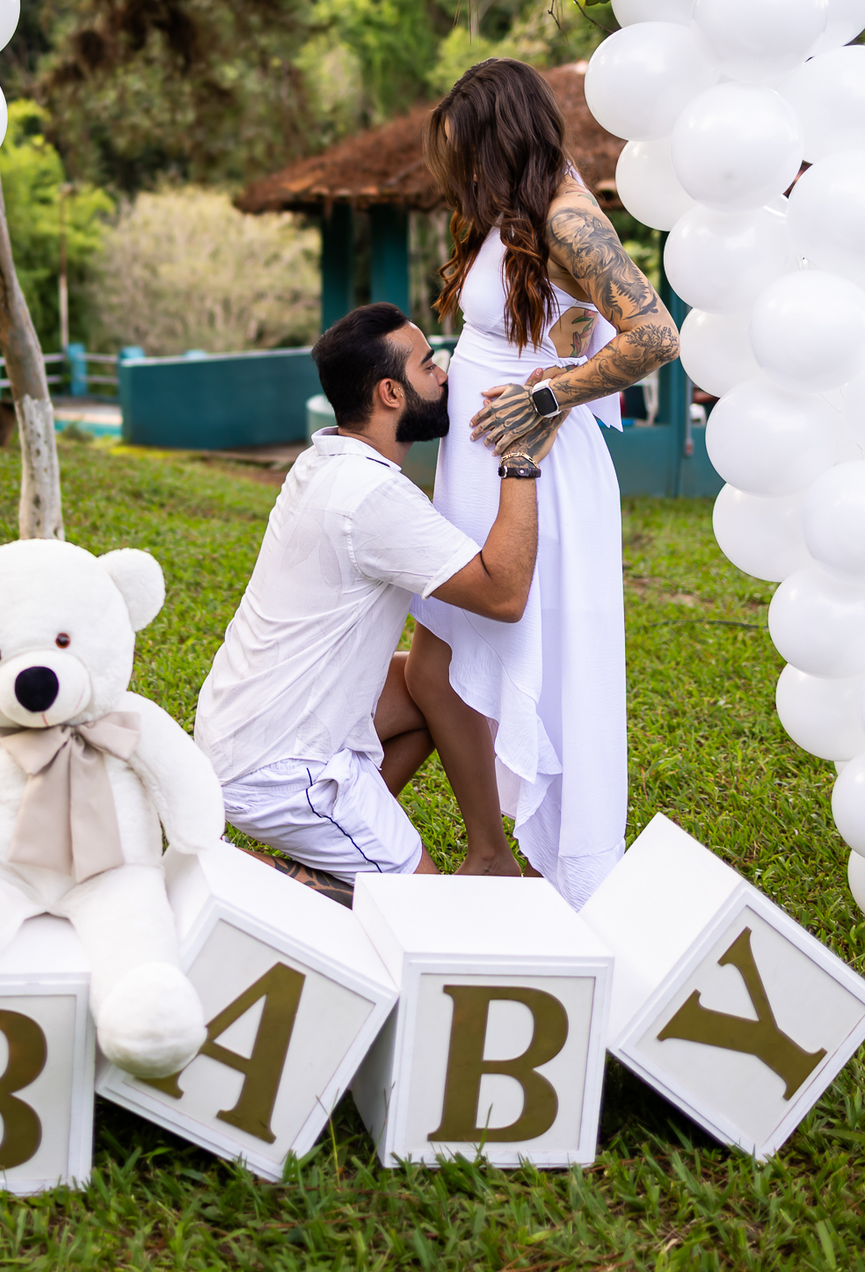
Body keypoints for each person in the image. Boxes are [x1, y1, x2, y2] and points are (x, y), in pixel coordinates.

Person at [406, 57, 680, 908]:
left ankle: (524, 863)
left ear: (505, 138)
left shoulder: (566, 217)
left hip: (537, 477)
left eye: (469, 150)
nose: (460, 170)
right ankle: (488, 853)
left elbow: (655, 336)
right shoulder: (511, 215)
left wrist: (551, 396)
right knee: (437, 666)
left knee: (501, 668)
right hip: (478, 469)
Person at [193, 301, 560, 892]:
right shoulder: (372, 495)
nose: (444, 375)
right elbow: (504, 594)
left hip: (243, 732)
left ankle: (478, 854)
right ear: (391, 393)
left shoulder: (323, 461)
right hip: (284, 774)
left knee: (433, 681)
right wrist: (520, 458)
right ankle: (262, 877)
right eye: (428, 365)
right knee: (418, 917)